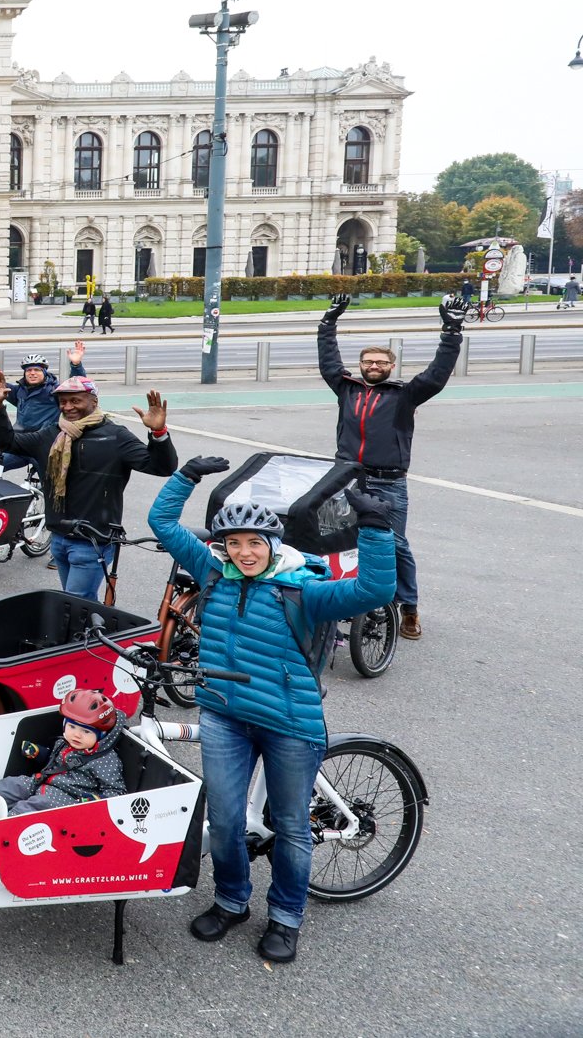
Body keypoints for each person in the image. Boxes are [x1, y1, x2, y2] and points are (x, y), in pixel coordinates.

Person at [148, 456, 397, 964]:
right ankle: (232, 900)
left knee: (290, 824)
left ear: (273, 546)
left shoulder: (300, 590)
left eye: (254, 543)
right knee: (222, 817)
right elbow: (162, 524)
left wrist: (374, 528)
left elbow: (374, 590)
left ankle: (285, 917)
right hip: (223, 714)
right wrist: (187, 476)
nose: (243, 552)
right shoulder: (212, 573)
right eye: (233, 543)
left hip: (289, 723)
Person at [317, 293, 462, 639]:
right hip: (347, 478)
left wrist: (452, 331)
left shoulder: (404, 395)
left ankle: (409, 608)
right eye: (368, 361)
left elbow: (437, 375)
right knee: (333, 539)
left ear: (391, 367)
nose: (373, 366)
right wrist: (327, 323)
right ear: (362, 364)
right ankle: (337, 599)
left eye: (381, 362)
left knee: (395, 544)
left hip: (388, 482)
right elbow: (328, 361)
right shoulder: (347, 389)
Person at [0, 370, 176, 600]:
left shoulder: (115, 436)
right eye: (63, 402)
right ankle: (94, 632)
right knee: (81, 604)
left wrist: (158, 432)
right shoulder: (52, 433)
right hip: (59, 537)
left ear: (94, 401)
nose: (68, 407)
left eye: (75, 400)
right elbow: (7, 442)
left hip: (92, 541)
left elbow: (161, 467)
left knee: (74, 604)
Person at [0, 690, 126, 818]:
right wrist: (38, 753)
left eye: (86, 731)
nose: (76, 735)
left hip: (69, 798)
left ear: (101, 735)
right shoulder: (65, 743)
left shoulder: (105, 760)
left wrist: (96, 800)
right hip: (43, 782)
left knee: (34, 807)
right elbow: (54, 762)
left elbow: (117, 791)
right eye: (72, 727)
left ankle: (5, 824)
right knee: (12, 785)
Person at [0, 340, 87, 477]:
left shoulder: (55, 391)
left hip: (44, 447)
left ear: (45, 372)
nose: (32, 373)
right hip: (22, 445)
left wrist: (76, 364)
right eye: (28, 370)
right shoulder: (19, 391)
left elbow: (76, 386)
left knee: (48, 482)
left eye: (37, 370)